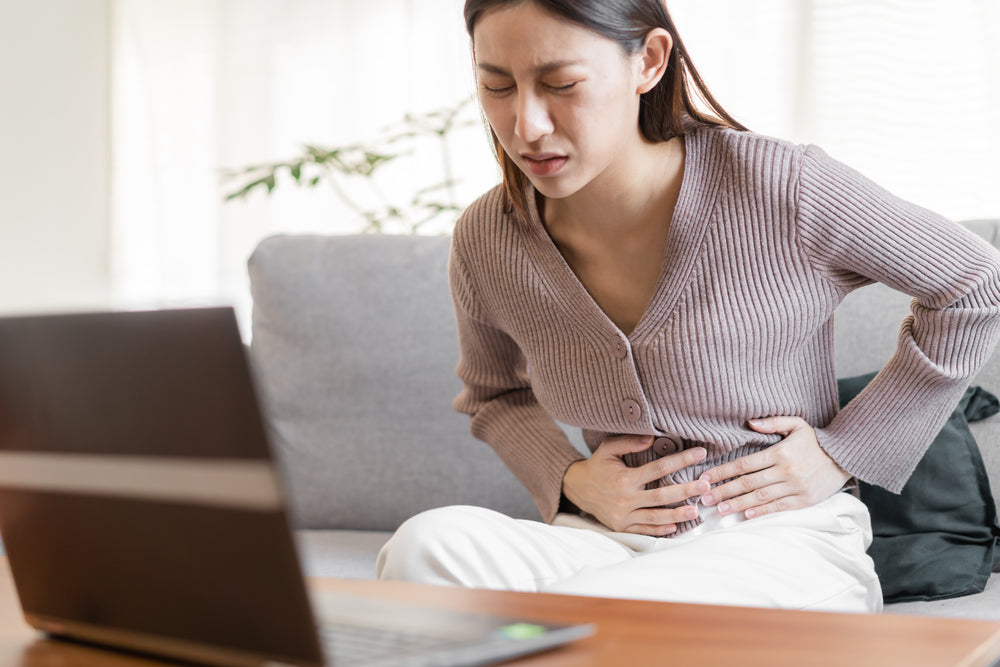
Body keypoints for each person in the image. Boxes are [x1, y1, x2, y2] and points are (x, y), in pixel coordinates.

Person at [376, 0, 1000, 612]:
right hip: (608, 545)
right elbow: (493, 395)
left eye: (560, 83)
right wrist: (569, 479)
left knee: (589, 611)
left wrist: (845, 451)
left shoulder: (782, 186)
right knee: (425, 547)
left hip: (782, 543)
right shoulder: (490, 236)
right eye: (497, 86)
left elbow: (975, 285)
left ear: (648, 61)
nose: (526, 125)